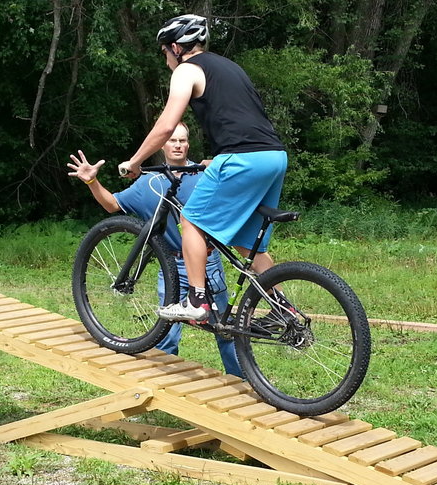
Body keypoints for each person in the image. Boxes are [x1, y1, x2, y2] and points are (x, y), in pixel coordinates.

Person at [117, 14, 288, 324]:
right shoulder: (230, 67)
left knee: (191, 220)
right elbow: (239, 116)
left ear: (175, 48)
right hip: (273, 156)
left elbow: (167, 125)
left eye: (164, 51)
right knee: (245, 243)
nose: (165, 58)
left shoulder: (186, 70)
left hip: (242, 158)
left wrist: (136, 161)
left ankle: (196, 301)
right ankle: (281, 307)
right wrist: (220, 158)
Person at [66, 123, 242, 377]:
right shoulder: (149, 182)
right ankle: (165, 389)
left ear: (188, 144)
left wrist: (219, 162)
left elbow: (238, 177)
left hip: (207, 264)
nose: (178, 145)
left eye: (183, 140)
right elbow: (112, 204)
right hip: (170, 266)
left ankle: (243, 385)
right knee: (166, 336)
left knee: (225, 331)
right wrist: (92, 180)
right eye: (172, 141)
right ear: (162, 145)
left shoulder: (204, 174)